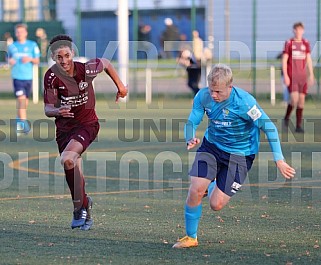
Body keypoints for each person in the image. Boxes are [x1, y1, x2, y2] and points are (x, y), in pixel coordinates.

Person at [172, 64, 296, 248]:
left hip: (241, 154)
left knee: (216, 204)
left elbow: (268, 126)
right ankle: (191, 237)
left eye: (218, 91)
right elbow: (192, 120)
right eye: (211, 89)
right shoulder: (203, 96)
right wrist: (189, 136)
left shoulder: (245, 102)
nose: (213, 95)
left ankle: (212, 184)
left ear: (230, 87)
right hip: (212, 147)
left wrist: (278, 158)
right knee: (195, 189)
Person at [43, 35, 127, 230]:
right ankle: (83, 206)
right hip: (64, 129)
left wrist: (121, 88)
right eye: (58, 57)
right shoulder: (51, 77)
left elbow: (105, 63)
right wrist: (58, 110)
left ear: (73, 53)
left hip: (87, 124)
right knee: (73, 169)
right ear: (54, 58)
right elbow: (47, 109)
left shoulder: (86, 69)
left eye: (66, 55)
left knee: (68, 159)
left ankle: (79, 209)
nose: (63, 60)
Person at [8, 23, 40, 135]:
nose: (19, 34)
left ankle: (19, 121)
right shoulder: (12, 46)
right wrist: (10, 61)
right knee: (21, 101)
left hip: (28, 77)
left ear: (26, 33)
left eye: (21, 31)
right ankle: (25, 125)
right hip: (17, 77)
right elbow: (9, 60)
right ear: (15, 33)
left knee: (24, 103)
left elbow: (37, 60)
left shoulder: (32, 45)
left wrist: (30, 59)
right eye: (17, 32)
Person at [282, 22, 314, 133]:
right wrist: (285, 75)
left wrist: (311, 74)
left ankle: (298, 126)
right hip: (292, 76)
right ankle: (286, 118)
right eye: (296, 29)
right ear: (293, 31)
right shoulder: (289, 43)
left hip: (302, 77)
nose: (298, 31)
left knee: (301, 102)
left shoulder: (306, 43)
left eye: (300, 29)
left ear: (303, 31)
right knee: (294, 100)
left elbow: (309, 59)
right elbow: (284, 60)